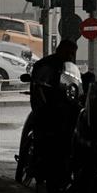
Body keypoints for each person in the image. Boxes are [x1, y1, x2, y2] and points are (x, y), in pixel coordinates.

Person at [29, 40, 82, 184]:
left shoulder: (71, 67)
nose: (70, 55)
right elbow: (38, 84)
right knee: (42, 128)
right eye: (68, 51)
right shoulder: (45, 64)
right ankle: (37, 161)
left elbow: (76, 83)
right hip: (47, 104)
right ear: (59, 50)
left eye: (72, 52)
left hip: (66, 105)